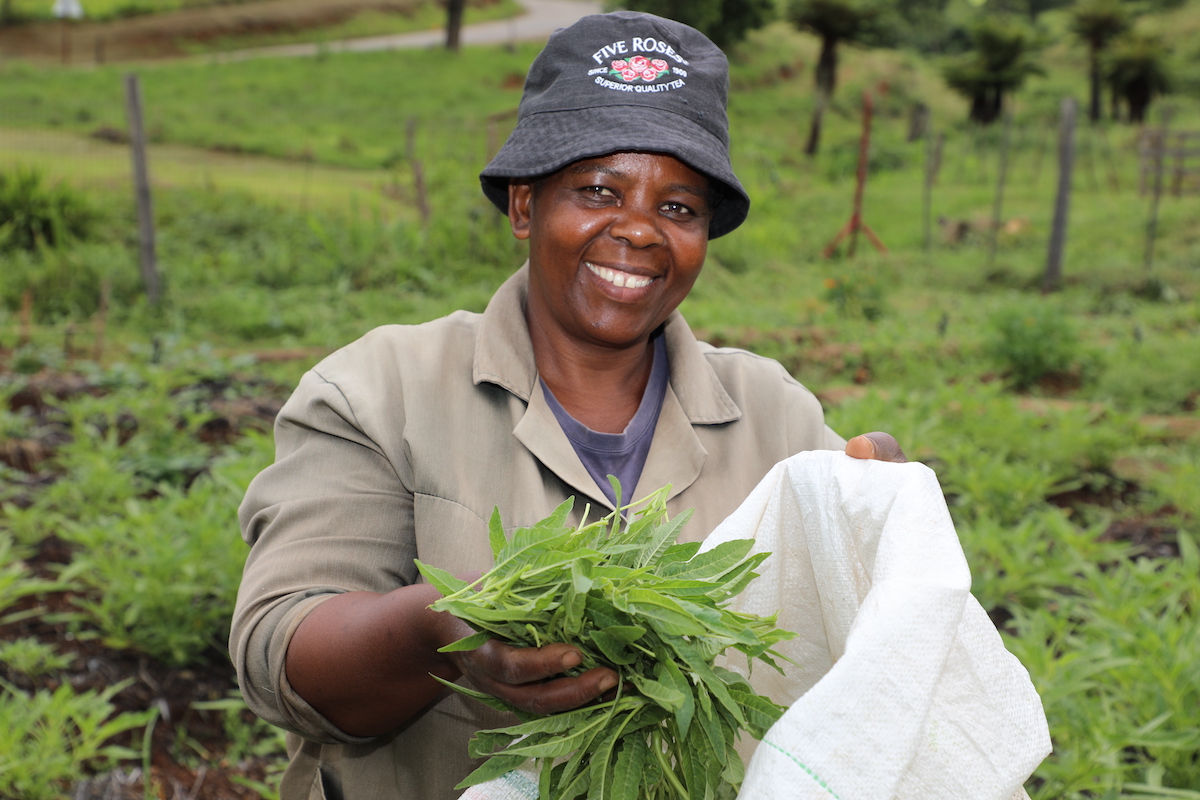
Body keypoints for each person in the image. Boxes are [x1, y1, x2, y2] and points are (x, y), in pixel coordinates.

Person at [230, 11, 905, 800]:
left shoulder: (775, 413)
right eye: (598, 190)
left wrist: (875, 522)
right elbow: (280, 653)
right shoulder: (380, 391)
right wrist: (439, 634)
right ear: (524, 206)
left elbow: (858, 636)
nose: (639, 230)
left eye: (679, 208)